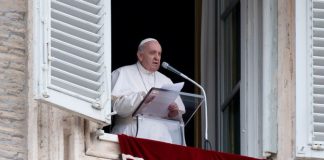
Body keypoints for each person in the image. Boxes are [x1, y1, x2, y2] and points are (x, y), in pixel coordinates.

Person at [111, 38, 185, 144]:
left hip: (161, 138)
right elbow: (116, 107)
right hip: (130, 134)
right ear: (140, 56)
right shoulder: (122, 73)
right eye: (152, 53)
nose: (157, 58)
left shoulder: (166, 80)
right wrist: (142, 98)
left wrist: (174, 113)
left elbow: (177, 121)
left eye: (159, 54)